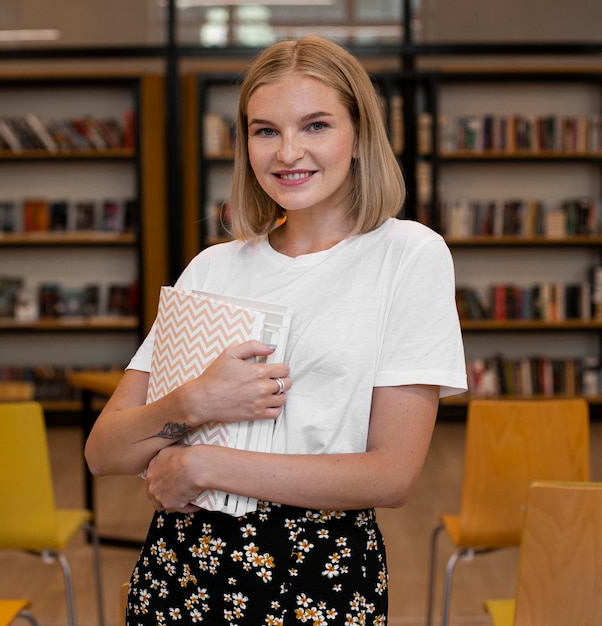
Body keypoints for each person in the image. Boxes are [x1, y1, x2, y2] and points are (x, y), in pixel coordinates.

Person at [85, 34, 467, 625]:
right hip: (180, 570)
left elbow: (391, 475)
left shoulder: (409, 255)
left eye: (315, 126)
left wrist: (205, 466)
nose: (288, 152)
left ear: (360, 134)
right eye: (266, 131)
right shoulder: (212, 267)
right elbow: (104, 451)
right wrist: (194, 402)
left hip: (320, 575)